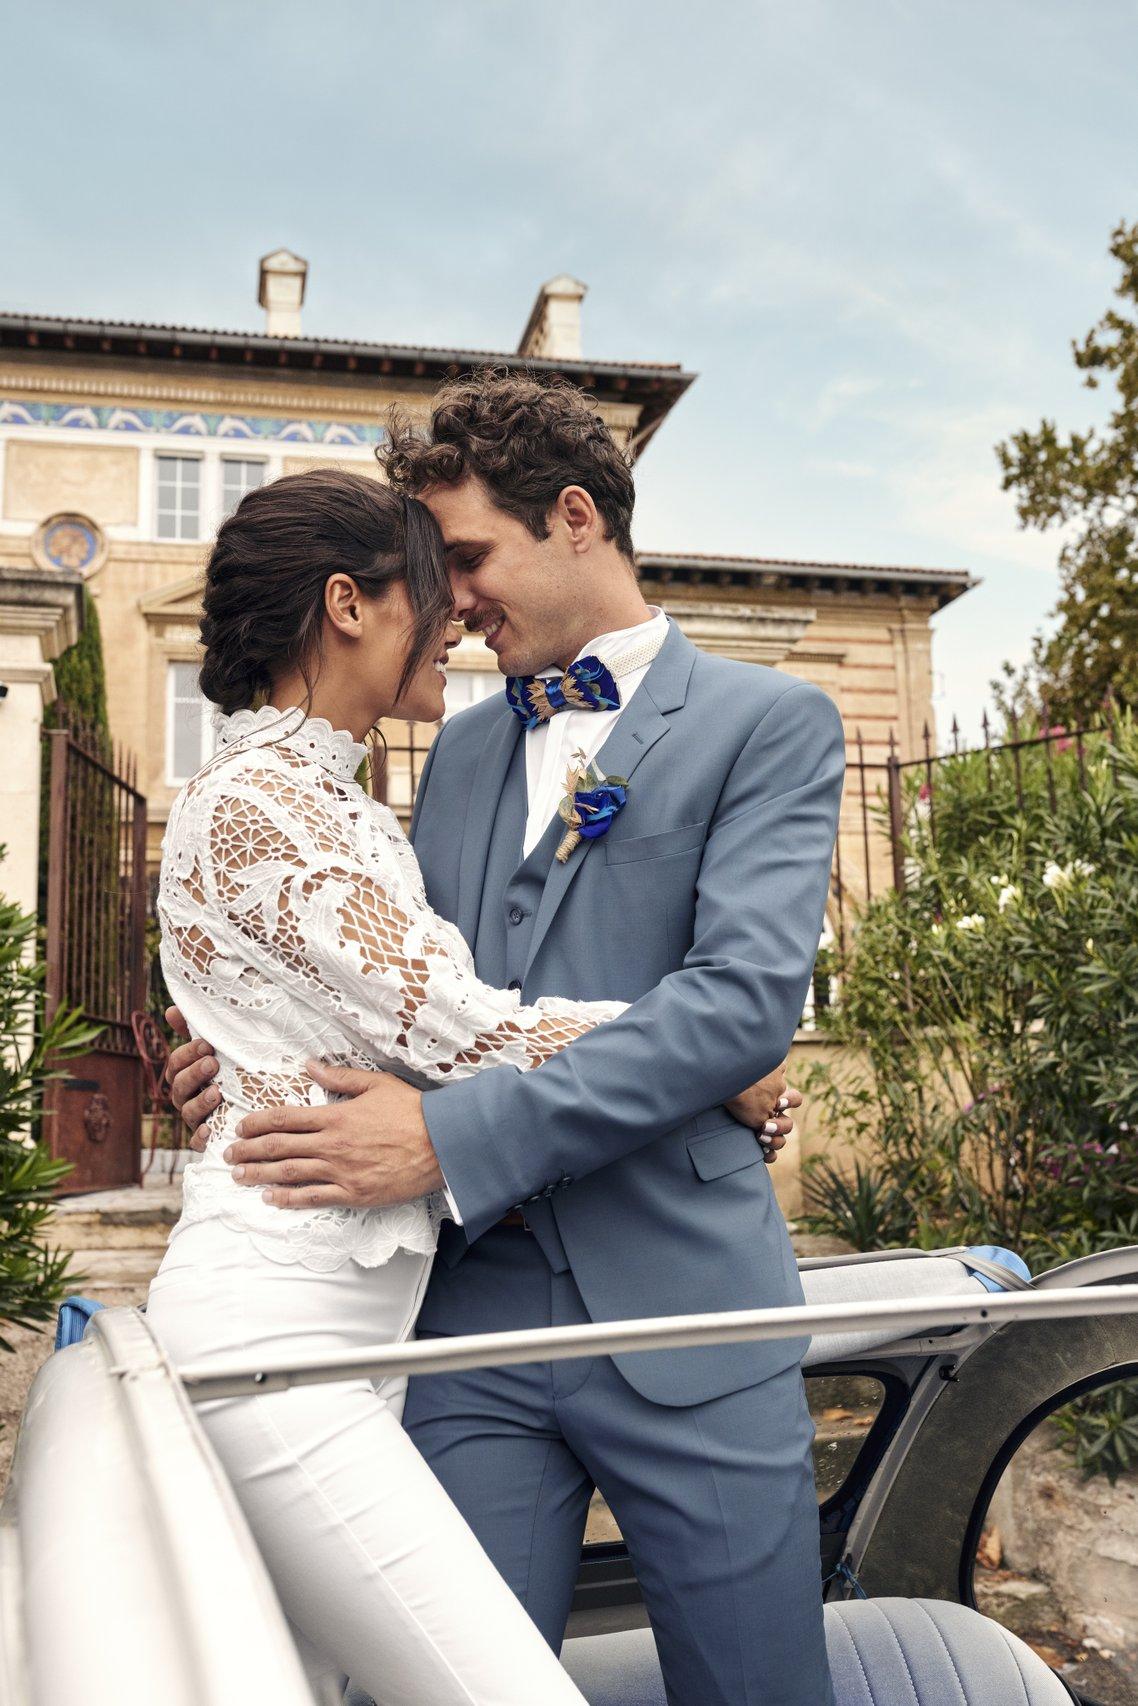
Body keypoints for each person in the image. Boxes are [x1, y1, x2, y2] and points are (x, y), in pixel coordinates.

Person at [168, 372, 843, 1705]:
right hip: (462, 1322)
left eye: (467, 557)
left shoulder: (771, 724)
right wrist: (242, 1061)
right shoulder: (453, 753)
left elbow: (736, 1005)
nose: (454, 601)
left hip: (684, 1305)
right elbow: (403, 992)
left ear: (577, 518)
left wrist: (445, 1136)